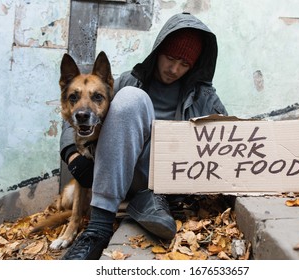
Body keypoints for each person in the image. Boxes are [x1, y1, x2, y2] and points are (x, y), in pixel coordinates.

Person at [60, 12, 227, 260]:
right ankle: (99, 227)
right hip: (127, 173)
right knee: (130, 97)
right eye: (170, 58)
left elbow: (230, 140)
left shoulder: (205, 97)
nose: (174, 69)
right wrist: (73, 155)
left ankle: (150, 202)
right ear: (158, 51)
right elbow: (82, 113)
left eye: (184, 64)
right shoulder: (129, 81)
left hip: (171, 181)